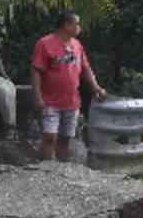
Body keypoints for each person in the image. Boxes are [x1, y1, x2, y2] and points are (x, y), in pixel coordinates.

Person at [31, 12, 105, 163]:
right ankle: (45, 169)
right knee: (50, 136)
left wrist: (95, 87)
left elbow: (86, 68)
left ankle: (61, 170)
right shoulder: (45, 43)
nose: (79, 28)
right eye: (76, 24)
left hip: (71, 101)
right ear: (66, 25)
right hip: (50, 100)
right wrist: (38, 97)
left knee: (65, 138)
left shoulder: (77, 45)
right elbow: (36, 70)